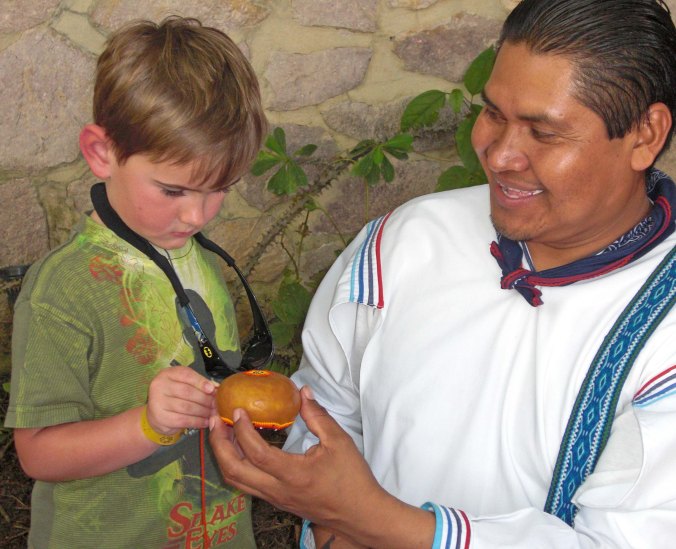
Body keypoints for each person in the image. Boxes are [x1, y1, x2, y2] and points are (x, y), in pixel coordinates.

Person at [208, 0, 676, 547]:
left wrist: (371, 521)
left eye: (543, 133)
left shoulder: (663, 332)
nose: (500, 155)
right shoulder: (405, 241)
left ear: (645, 135)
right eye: (495, 114)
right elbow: (325, 406)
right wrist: (327, 517)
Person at [4, 16, 267, 548]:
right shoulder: (63, 290)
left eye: (220, 189)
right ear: (102, 153)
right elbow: (38, 454)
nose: (198, 214)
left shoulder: (200, 259)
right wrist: (147, 425)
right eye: (173, 191)